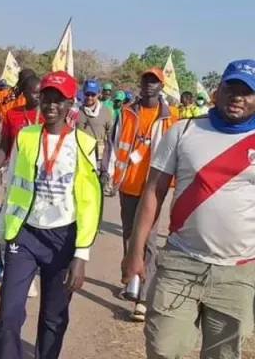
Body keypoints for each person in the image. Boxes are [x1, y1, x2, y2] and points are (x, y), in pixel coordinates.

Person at [122, 59, 255, 358]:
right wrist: (135, 251)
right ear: (216, 91)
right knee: (163, 350)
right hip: (181, 263)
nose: (238, 97)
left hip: (237, 273)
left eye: (247, 92)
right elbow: (153, 192)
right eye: (231, 88)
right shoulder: (184, 131)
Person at [0, 71, 101, 359]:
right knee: (8, 315)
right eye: (47, 97)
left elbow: (89, 203)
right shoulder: (26, 138)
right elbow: (12, 189)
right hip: (24, 234)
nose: (51, 105)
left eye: (59, 100)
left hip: (63, 239)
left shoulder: (84, 145)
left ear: (70, 105)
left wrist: (81, 254)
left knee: (54, 318)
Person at [103, 66, 179, 322]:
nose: (148, 85)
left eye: (154, 81)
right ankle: (131, 280)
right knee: (128, 236)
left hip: (153, 188)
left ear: (161, 86)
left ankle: (143, 297)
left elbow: (177, 154)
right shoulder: (126, 112)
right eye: (145, 80)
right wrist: (111, 176)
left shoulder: (171, 117)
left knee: (147, 240)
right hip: (128, 185)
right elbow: (113, 146)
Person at [0, 74, 43, 298]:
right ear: (24, 93)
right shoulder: (12, 115)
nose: (38, 97)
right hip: (16, 182)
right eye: (34, 93)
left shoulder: (47, 117)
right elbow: (4, 148)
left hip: (42, 184)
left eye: (41, 93)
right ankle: (18, 272)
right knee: (12, 224)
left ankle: (32, 271)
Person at [76, 78, 113, 172]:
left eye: (93, 95)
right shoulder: (75, 110)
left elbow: (109, 141)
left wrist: (105, 170)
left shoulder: (106, 112)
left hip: (97, 162)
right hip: (78, 158)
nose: (89, 97)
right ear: (83, 93)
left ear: (99, 94)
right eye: (87, 94)